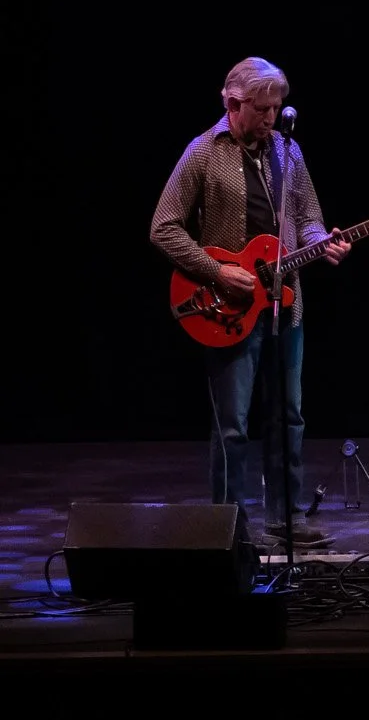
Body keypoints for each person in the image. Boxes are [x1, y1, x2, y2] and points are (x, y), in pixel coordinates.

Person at [149, 57, 351, 548]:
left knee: (289, 417)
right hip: (228, 309)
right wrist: (217, 271)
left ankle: (286, 519)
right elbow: (163, 227)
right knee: (233, 427)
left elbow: (308, 219)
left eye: (276, 107)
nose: (270, 117)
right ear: (233, 103)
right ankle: (231, 528)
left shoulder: (288, 150)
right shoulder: (203, 151)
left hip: (286, 304)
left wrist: (322, 242)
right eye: (261, 109)